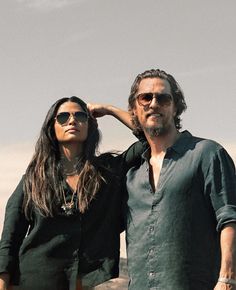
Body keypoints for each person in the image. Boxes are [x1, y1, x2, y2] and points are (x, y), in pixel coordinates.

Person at [90, 69, 236, 290]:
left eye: (163, 98)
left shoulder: (206, 153)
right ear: (134, 109)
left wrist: (227, 279)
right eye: (145, 97)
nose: (154, 103)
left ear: (176, 106)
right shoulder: (132, 174)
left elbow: (229, 217)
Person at [0, 96, 143, 290]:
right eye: (63, 117)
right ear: (52, 127)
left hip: (94, 279)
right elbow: (10, 236)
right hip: (36, 280)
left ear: (90, 125)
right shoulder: (33, 179)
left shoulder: (109, 171)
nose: (72, 120)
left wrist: (109, 109)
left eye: (80, 116)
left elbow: (149, 137)